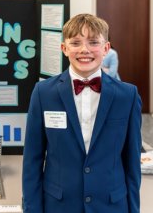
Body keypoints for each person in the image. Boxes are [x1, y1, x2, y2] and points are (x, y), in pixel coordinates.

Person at [22, 14, 142, 213]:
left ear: (106, 49)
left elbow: (132, 163)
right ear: (64, 48)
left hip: (111, 206)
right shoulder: (43, 93)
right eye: (76, 43)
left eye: (93, 42)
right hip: (58, 206)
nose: (84, 50)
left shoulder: (127, 96)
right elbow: (32, 160)